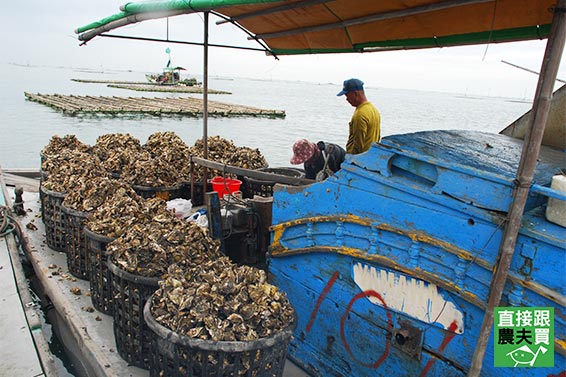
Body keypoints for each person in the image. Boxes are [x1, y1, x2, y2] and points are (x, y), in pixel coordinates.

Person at [337, 78, 381, 154]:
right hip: (370, 155)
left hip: (359, 161)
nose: (346, 99)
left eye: (347, 95)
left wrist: (351, 161)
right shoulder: (373, 110)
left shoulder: (360, 114)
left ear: (355, 94)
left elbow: (358, 144)